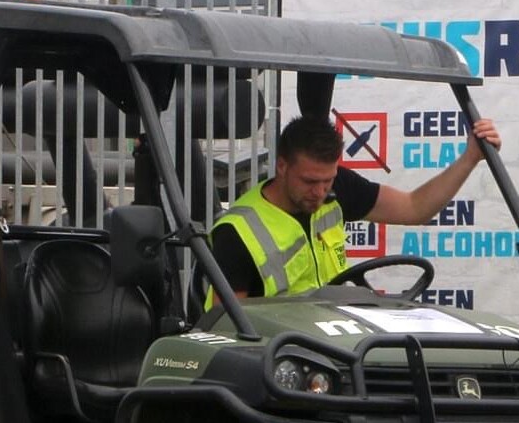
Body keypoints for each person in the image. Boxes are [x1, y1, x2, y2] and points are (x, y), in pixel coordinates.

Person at [208, 113, 501, 301]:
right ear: (281, 167)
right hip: (281, 357)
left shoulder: (337, 190)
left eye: (328, 179)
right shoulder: (237, 233)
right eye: (310, 181)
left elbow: (414, 208)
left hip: (336, 339)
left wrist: (470, 158)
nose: (320, 192)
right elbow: (222, 323)